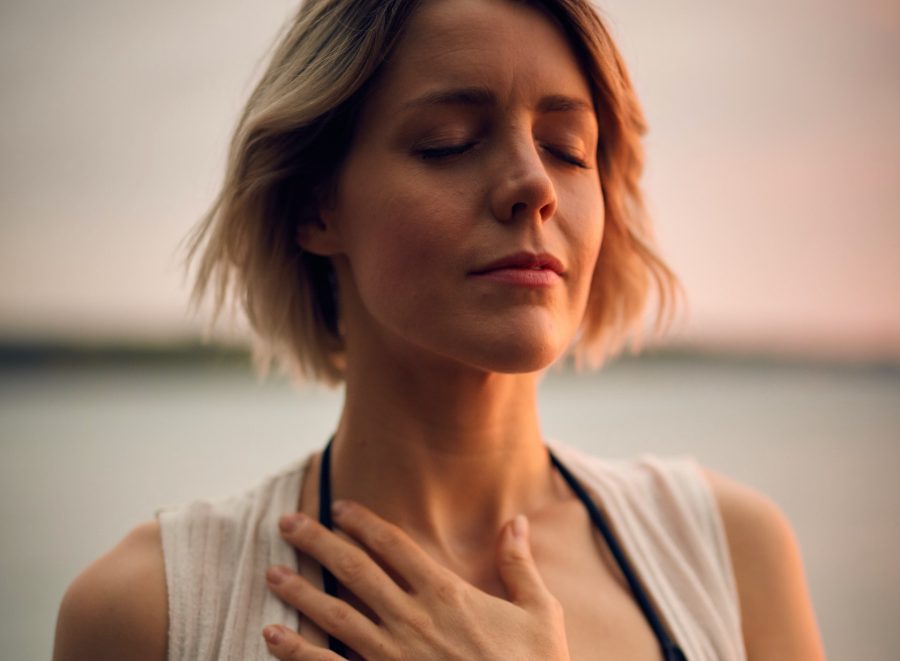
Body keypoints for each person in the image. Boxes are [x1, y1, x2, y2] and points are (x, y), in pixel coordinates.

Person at [53, 0, 825, 659]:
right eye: (448, 141)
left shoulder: (729, 551)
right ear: (316, 206)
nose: (533, 184)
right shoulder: (151, 612)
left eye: (568, 149)